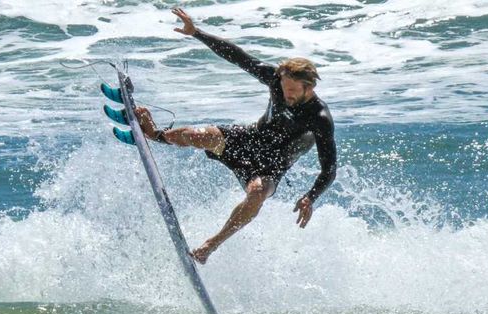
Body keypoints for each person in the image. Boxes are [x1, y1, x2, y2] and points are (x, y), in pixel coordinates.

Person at [136, 7, 337, 264]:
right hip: (250, 139)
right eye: (284, 88)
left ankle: (210, 245)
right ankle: (155, 134)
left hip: (272, 165)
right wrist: (196, 33)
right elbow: (238, 57)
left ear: (309, 87)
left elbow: (329, 168)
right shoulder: (277, 80)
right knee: (199, 135)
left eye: (292, 90)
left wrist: (310, 197)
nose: (286, 94)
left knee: (256, 194)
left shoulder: (319, 118)